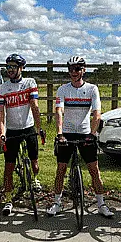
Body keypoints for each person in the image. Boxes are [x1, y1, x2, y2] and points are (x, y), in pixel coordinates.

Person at [47, 56, 113, 218]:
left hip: (85, 134)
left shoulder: (92, 89)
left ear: (84, 70)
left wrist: (92, 134)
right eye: (70, 69)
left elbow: (97, 113)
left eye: (77, 69)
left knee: (94, 170)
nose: (73, 72)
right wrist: (60, 133)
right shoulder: (63, 89)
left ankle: (101, 204)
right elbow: (59, 111)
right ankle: (57, 202)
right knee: (61, 169)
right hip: (67, 133)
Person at [0, 53, 45, 216]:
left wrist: (39, 128)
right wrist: (2, 132)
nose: (10, 70)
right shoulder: (3, 88)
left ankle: (34, 178)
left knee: (35, 163)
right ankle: (8, 199)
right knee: (9, 166)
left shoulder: (30, 83)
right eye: (8, 67)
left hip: (28, 127)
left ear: (21, 68)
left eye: (13, 67)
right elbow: (0, 112)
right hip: (12, 130)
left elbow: (35, 106)